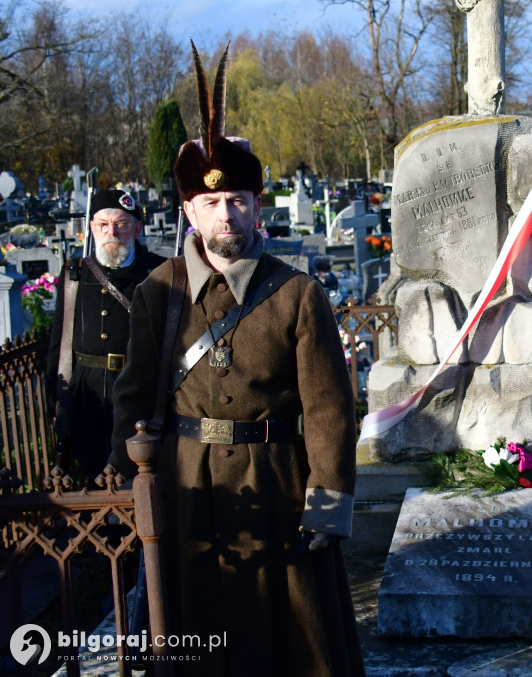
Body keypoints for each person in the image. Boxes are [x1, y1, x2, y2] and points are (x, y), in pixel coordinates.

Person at [109, 44, 364, 675]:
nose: (227, 214)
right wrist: (128, 487)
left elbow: (330, 406)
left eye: (240, 200)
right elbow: (134, 397)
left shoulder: (297, 292)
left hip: (277, 482)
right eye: (212, 204)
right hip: (186, 485)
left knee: (293, 642)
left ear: (257, 204)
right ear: (189, 212)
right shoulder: (158, 292)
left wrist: (327, 501)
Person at [46, 189, 164, 480]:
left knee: (140, 474)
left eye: (121, 224)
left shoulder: (159, 271)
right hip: (87, 391)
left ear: (136, 229)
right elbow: (59, 341)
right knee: (91, 468)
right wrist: (55, 399)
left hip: (140, 386)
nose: (112, 232)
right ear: (92, 229)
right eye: (103, 224)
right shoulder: (75, 273)